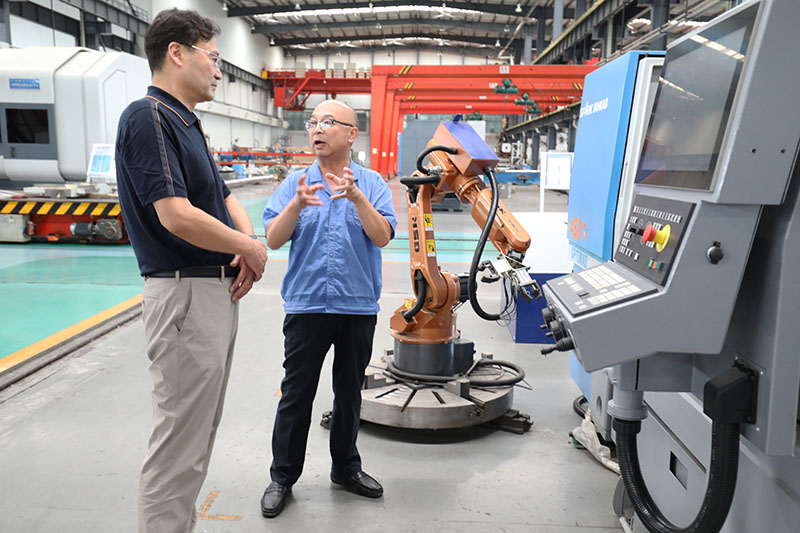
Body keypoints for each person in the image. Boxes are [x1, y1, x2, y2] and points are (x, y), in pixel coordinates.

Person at [115, 9, 268, 532]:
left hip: (209, 296)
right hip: (184, 297)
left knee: (196, 439)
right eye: (214, 58)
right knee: (178, 447)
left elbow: (225, 197)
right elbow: (176, 215)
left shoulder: (187, 124)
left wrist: (248, 244)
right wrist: (249, 249)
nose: (220, 71)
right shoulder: (149, 116)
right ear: (177, 53)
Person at [260, 100, 397, 518]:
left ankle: (345, 468)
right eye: (313, 122)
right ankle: (283, 477)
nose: (317, 129)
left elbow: (382, 236)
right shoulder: (296, 183)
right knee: (296, 393)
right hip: (307, 305)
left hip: (357, 306)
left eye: (328, 122)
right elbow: (273, 238)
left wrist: (356, 198)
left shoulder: (372, 183)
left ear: (352, 134)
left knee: (349, 393)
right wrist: (296, 205)